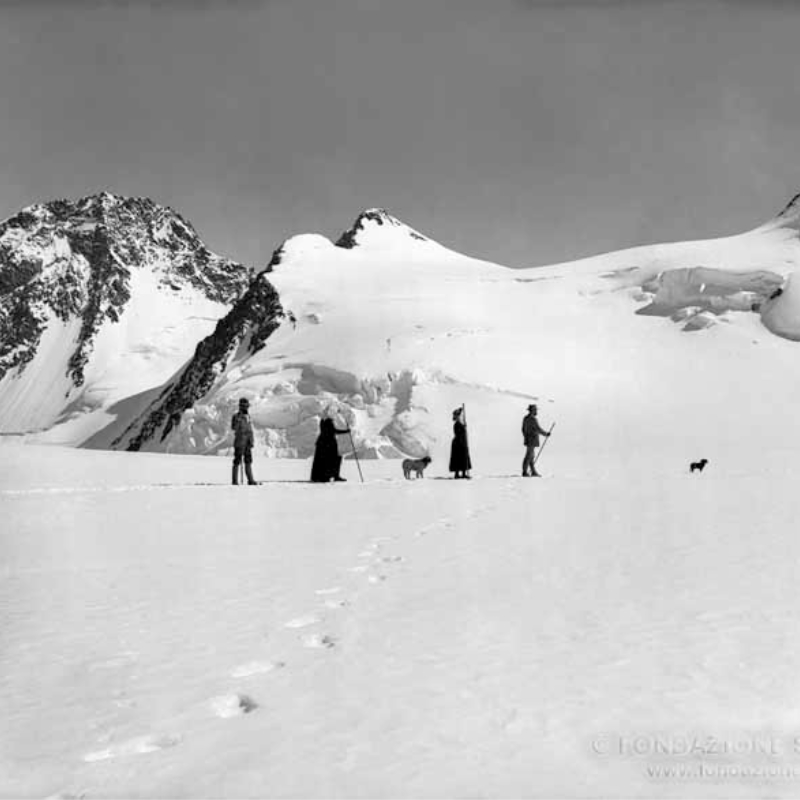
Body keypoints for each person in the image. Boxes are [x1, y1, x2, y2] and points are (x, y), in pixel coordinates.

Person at [310, 413, 351, 483]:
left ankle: (326, 476)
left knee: (326, 461)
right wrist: (346, 431)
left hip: (325, 445)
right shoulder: (327, 423)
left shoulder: (323, 423)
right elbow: (333, 431)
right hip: (327, 446)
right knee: (331, 461)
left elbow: (333, 431)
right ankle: (331, 476)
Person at [231, 397, 257, 485]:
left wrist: (251, 440)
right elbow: (234, 428)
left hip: (247, 442)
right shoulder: (236, 416)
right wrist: (238, 421)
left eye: (247, 406)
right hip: (239, 442)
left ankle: (251, 480)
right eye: (245, 406)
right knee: (237, 461)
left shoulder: (248, 417)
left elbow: (250, 430)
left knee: (248, 461)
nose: (246, 408)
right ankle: (234, 481)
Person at [521, 404, 549, 477]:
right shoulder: (533, 419)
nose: (536, 411)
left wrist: (525, 436)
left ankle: (533, 471)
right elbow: (538, 429)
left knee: (531, 456)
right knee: (529, 455)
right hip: (532, 439)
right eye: (535, 410)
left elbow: (523, 429)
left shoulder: (525, 418)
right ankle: (525, 472)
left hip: (528, 439)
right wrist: (546, 434)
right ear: (533, 410)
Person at [449, 406, 472, 479]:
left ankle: (463, 473)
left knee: (463, 458)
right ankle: (457, 474)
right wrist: (464, 427)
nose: (460, 417)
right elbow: (459, 434)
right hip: (458, 444)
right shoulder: (457, 424)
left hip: (462, 443)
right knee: (458, 458)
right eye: (458, 416)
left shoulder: (460, 424)